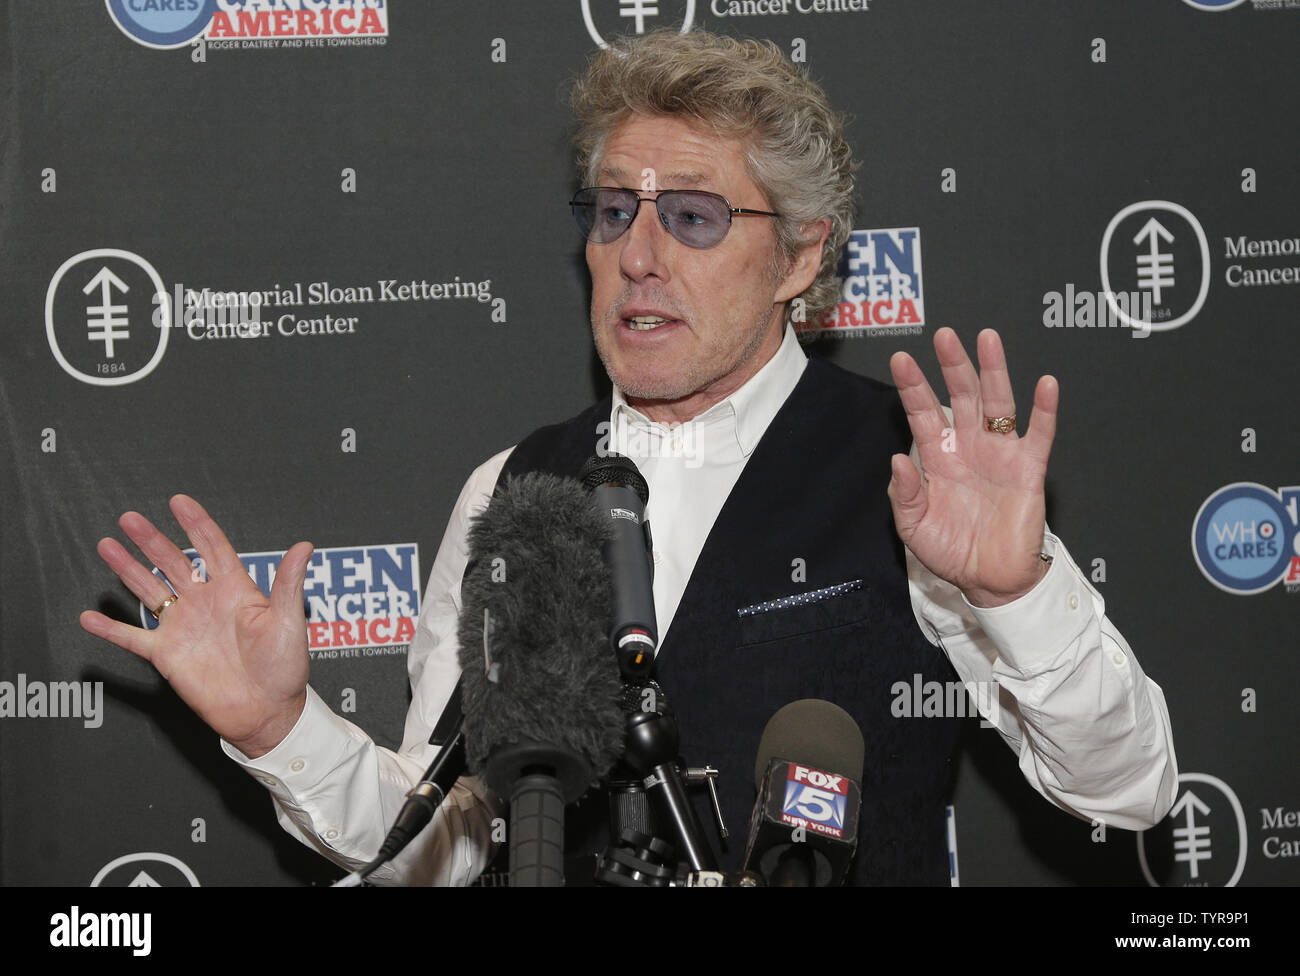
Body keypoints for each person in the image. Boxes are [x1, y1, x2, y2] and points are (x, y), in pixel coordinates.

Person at [80, 29, 1176, 885]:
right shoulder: (513, 490)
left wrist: (1018, 592)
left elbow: (1129, 789)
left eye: (693, 218)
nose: (637, 256)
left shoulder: (915, 477)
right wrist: (280, 728)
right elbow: (444, 852)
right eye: (613, 213)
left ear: (800, 253)